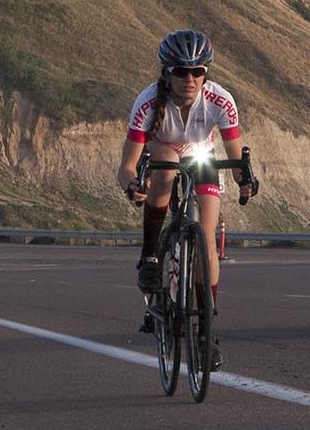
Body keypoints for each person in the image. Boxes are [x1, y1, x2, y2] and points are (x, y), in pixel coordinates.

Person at [115, 29, 255, 367]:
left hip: (202, 158)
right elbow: (126, 166)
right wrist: (132, 184)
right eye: (180, 71)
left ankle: (206, 331)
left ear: (207, 73)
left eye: (197, 71)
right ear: (167, 73)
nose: (189, 79)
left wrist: (245, 181)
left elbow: (235, 158)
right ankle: (151, 254)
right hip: (163, 153)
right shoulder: (148, 101)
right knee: (166, 166)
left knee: (206, 243)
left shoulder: (221, 100)